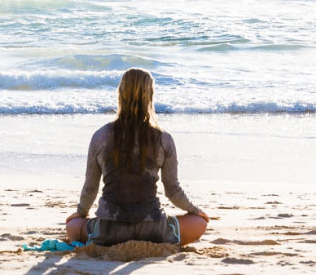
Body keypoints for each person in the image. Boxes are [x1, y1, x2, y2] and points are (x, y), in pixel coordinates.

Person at [66, 68, 209, 246]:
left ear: (120, 94)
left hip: (108, 230)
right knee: (200, 222)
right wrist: (196, 210)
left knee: (72, 225)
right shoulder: (163, 138)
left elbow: (90, 188)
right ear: (150, 95)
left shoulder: (100, 136)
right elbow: (172, 191)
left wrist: (80, 212)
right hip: (152, 229)